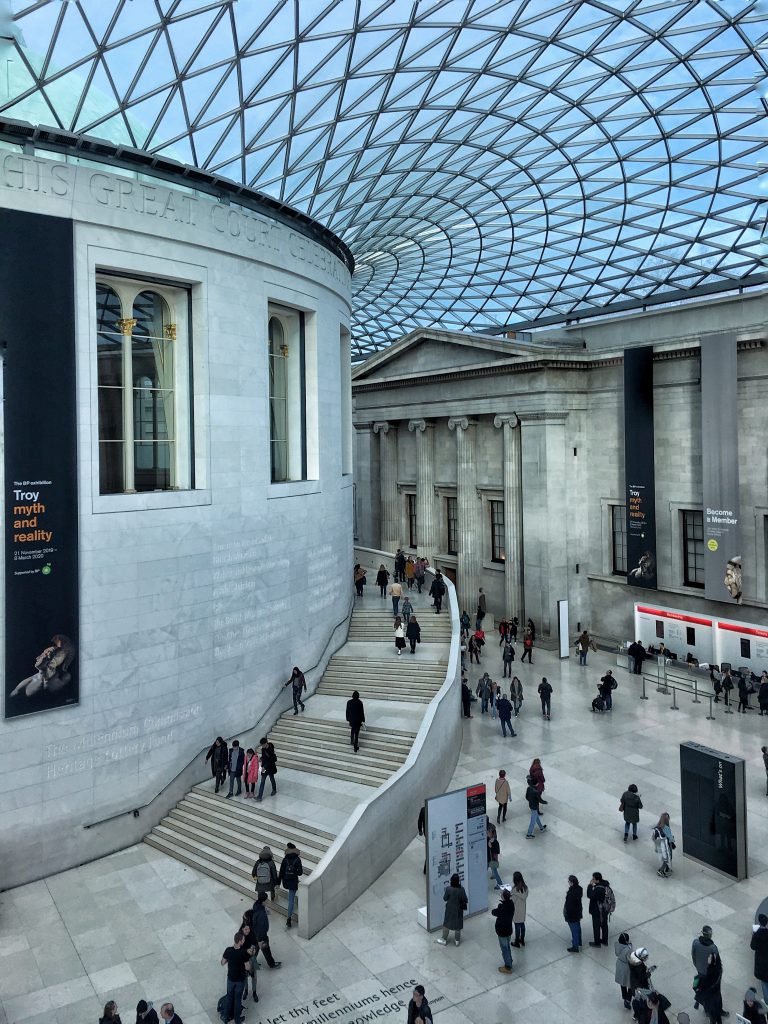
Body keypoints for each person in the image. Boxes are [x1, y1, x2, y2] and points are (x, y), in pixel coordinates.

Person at [9, 633, 76, 700]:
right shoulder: (27, 682)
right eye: (42, 654)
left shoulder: (64, 678)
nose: (37, 657)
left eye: (43, 655)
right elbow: (11, 701)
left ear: (52, 661)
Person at [221, 930, 254, 1024]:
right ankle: (237, 1021)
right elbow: (247, 966)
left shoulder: (228, 950)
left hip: (230, 979)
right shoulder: (243, 953)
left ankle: (226, 1017)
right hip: (240, 980)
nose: (244, 941)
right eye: (243, 940)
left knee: (229, 998)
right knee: (237, 1000)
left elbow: (222, 963)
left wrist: (230, 960)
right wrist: (248, 971)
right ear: (239, 941)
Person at [250, 891, 281, 969]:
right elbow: (262, 927)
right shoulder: (261, 915)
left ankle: (251, 963)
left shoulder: (256, 905)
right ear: (264, 901)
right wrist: (261, 939)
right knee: (266, 950)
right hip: (261, 936)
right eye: (267, 899)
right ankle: (272, 964)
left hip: (255, 933)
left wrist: (264, 909)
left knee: (256, 949)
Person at [436, 873, 467, 946]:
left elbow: (445, 898)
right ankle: (457, 941)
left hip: (450, 909)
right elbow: (465, 899)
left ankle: (444, 939)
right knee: (458, 926)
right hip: (459, 910)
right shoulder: (461, 889)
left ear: (451, 881)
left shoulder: (448, 889)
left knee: (446, 924)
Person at [278, 842, 303, 928]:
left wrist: (278, 882)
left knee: (290, 901)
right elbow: (300, 873)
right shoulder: (297, 859)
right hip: (294, 882)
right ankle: (296, 911)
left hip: (286, 881)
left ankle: (289, 919)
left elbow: (281, 872)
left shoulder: (285, 859)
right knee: (293, 898)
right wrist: (295, 871)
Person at [697, 950, 724, 1024]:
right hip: (717, 997)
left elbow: (704, 986)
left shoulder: (710, 972)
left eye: (709, 957)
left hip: (711, 999)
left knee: (712, 1017)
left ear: (713, 961)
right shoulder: (719, 969)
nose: (708, 958)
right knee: (718, 1016)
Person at [491, 888, 515, 974]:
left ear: (504, 897)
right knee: (507, 946)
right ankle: (510, 960)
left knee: (504, 948)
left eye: (501, 894)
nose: (500, 894)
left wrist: (498, 907)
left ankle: (508, 966)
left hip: (502, 931)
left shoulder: (502, 907)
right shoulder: (511, 904)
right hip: (508, 930)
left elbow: (494, 912)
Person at [587, 871, 611, 947]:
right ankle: (605, 941)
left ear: (597, 880)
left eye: (593, 878)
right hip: (605, 909)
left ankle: (597, 943)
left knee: (596, 926)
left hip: (597, 911)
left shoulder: (598, 889)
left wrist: (590, 886)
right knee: (604, 925)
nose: (592, 879)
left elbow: (590, 895)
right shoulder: (605, 884)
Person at [615, 932, 634, 1009]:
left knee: (622, 983)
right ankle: (628, 1000)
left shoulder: (617, 945)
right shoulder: (628, 950)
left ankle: (624, 997)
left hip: (620, 965)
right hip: (627, 967)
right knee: (630, 984)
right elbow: (632, 958)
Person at [752, 913, 768, 1005]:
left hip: (761, 964)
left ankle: (767, 1002)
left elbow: (753, 946)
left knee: (764, 984)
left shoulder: (757, 934)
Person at [564, 875, 583, 951]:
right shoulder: (579, 889)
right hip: (578, 913)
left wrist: (567, 914)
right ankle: (579, 943)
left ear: (571, 882)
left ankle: (575, 946)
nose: (568, 883)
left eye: (568, 881)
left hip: (572, 915)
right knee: (578, 928)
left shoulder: (571, 893)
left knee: (574, 930)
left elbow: (569, 906)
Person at [653, 812, 675, 877]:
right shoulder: (666, 828)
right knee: (666, 859)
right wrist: (673, 843)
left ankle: (667, 868)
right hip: (666, 846)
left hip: (659, 846)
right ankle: (661, 870)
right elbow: (670, 838)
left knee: (664, 858)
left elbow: (653, 838)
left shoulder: (657, 827)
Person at [510, 871, 528, 947]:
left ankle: (517, 941)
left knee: (517, 926)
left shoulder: (514, 890)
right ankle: (522, 939)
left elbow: (512, 901)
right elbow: (524, 897)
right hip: (523, 910)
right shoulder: (525, 887)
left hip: (516, 911)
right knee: (522, 925)